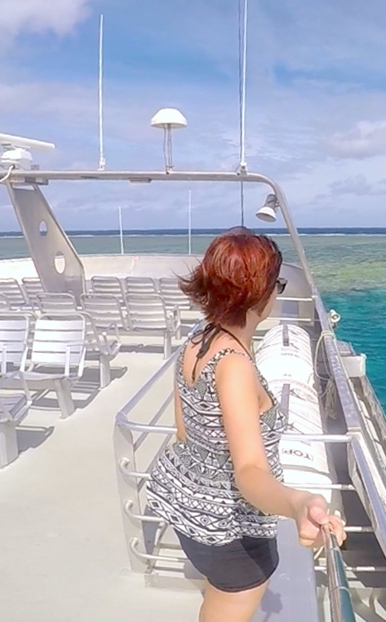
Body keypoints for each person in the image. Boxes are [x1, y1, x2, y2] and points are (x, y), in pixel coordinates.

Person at [146, 227, 345, 621]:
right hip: (229, 533)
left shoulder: (196, 340)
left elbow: (187, 432)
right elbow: (249, 472)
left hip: (191, 510)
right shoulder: (234, 365)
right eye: (278, 283)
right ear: (261, 294)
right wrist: (299, 502)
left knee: (217, 601)